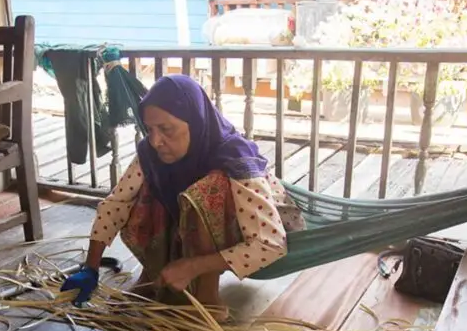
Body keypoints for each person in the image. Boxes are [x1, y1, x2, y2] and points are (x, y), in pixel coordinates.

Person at [60, 74, 305, 309]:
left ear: (195, 121)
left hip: (253, 228)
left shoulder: (236, 159)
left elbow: (271, 245)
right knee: (146, 186)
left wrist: (192, 267)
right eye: (150, 129)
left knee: (209, 191)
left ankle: (207, 294)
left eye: (167, 129)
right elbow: (116, 204)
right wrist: (90, 267)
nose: (156, 141)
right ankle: (152, 272)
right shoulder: (151, 152)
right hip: (188, 224)